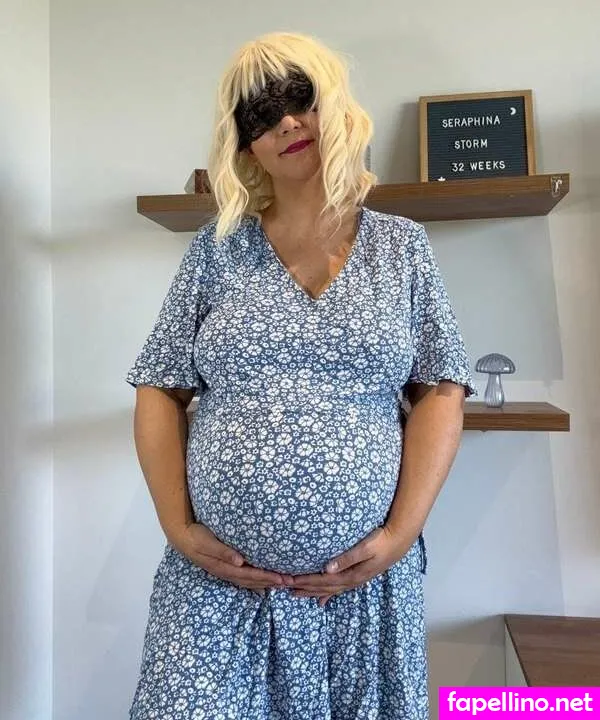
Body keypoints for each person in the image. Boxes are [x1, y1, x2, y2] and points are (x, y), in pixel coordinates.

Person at [126, 31, 476, 720]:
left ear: (335, 106)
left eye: (300, 98)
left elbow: (441, 388)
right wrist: (177, 526)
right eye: (260, 114)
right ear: (244, 146)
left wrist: (399, 535)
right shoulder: (215, 252)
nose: (286, 122)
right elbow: (159, 386)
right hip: (218, 594)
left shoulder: (402, 248)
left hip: (363, 595)